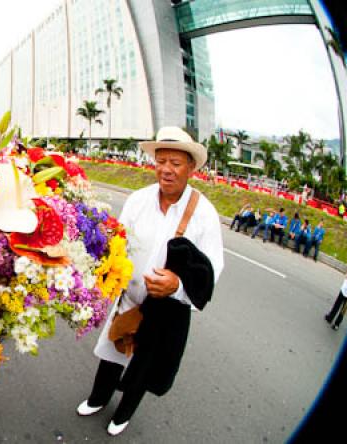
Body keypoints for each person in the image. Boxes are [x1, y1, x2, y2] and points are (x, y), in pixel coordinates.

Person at [75, 127, 224, 436]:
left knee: (144, 366)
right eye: (161, 161)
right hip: (130, 299)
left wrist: (178, 286)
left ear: (191, 167)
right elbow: (119, 241)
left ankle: (123, 415)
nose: (166, 169)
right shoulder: (138, 200)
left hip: (167, 310)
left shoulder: (205, 215)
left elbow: (211, 269)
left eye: (175, 162)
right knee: (113, 351)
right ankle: (98, 398)